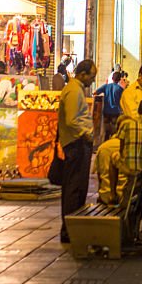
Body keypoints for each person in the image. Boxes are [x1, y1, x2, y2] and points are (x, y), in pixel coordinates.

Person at [57, 59, 97, 244]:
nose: (92, 80)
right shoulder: (73, 91)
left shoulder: (76, 89)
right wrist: (85, 135)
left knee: (79, 187)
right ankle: (69, 229)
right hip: (76, 143)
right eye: (92, 76)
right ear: (83, 74)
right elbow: (73, 119)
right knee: (74, 188)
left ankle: (72, 227)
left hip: (78, 142)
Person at [117, 98, 142, 232]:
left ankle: (129, 228)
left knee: (133, 198)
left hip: (127, 171)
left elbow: (121, 145)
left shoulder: (127, 123)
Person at [95, 71, 124, 139]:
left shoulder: (106, 86)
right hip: (116, 111)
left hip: (106, 111)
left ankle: (106, 142)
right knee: (114, 130)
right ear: (119, 79)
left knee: (106, 130)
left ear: (112, 78)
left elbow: (95, 93)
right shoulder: (120, 89)